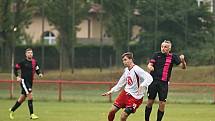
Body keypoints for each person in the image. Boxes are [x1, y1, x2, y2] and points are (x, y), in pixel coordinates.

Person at [102, 52, 153, 121]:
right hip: (125, 94)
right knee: (112, 111)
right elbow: (121, 83)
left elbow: (149, 78)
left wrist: (142, 85)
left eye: (125, 60)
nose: (124, 62)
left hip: (135, 98)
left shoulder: (137, 69)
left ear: (131, 59)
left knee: (123, 116)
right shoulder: (126, 70)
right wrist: (111, 91)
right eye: (123, 60)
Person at [145, 40, 187, 121]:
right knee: (150, 102)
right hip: (153, 82)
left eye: (165, 47)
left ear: (169, 48)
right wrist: (150, 67)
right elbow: (150, 64)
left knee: (162, 104)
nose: (163, 48)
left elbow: (183, 67)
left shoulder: (173, 57)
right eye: (162, 46)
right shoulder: (156, 55)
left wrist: (183, 60)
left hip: (164, 83)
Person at [9, 48, 43, 120]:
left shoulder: (34, 62)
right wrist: (17, 77)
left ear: (32, 54)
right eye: (28, 53)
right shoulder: (23, 62)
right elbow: (15, 68)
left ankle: (12, 110)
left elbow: (37, 69)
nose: (30, 54)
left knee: (21, 99)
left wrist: (39, 74)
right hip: (24, 81)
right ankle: (32, 114)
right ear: (26, 54)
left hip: (30, 82)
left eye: (31, 53)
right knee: (30, 95)